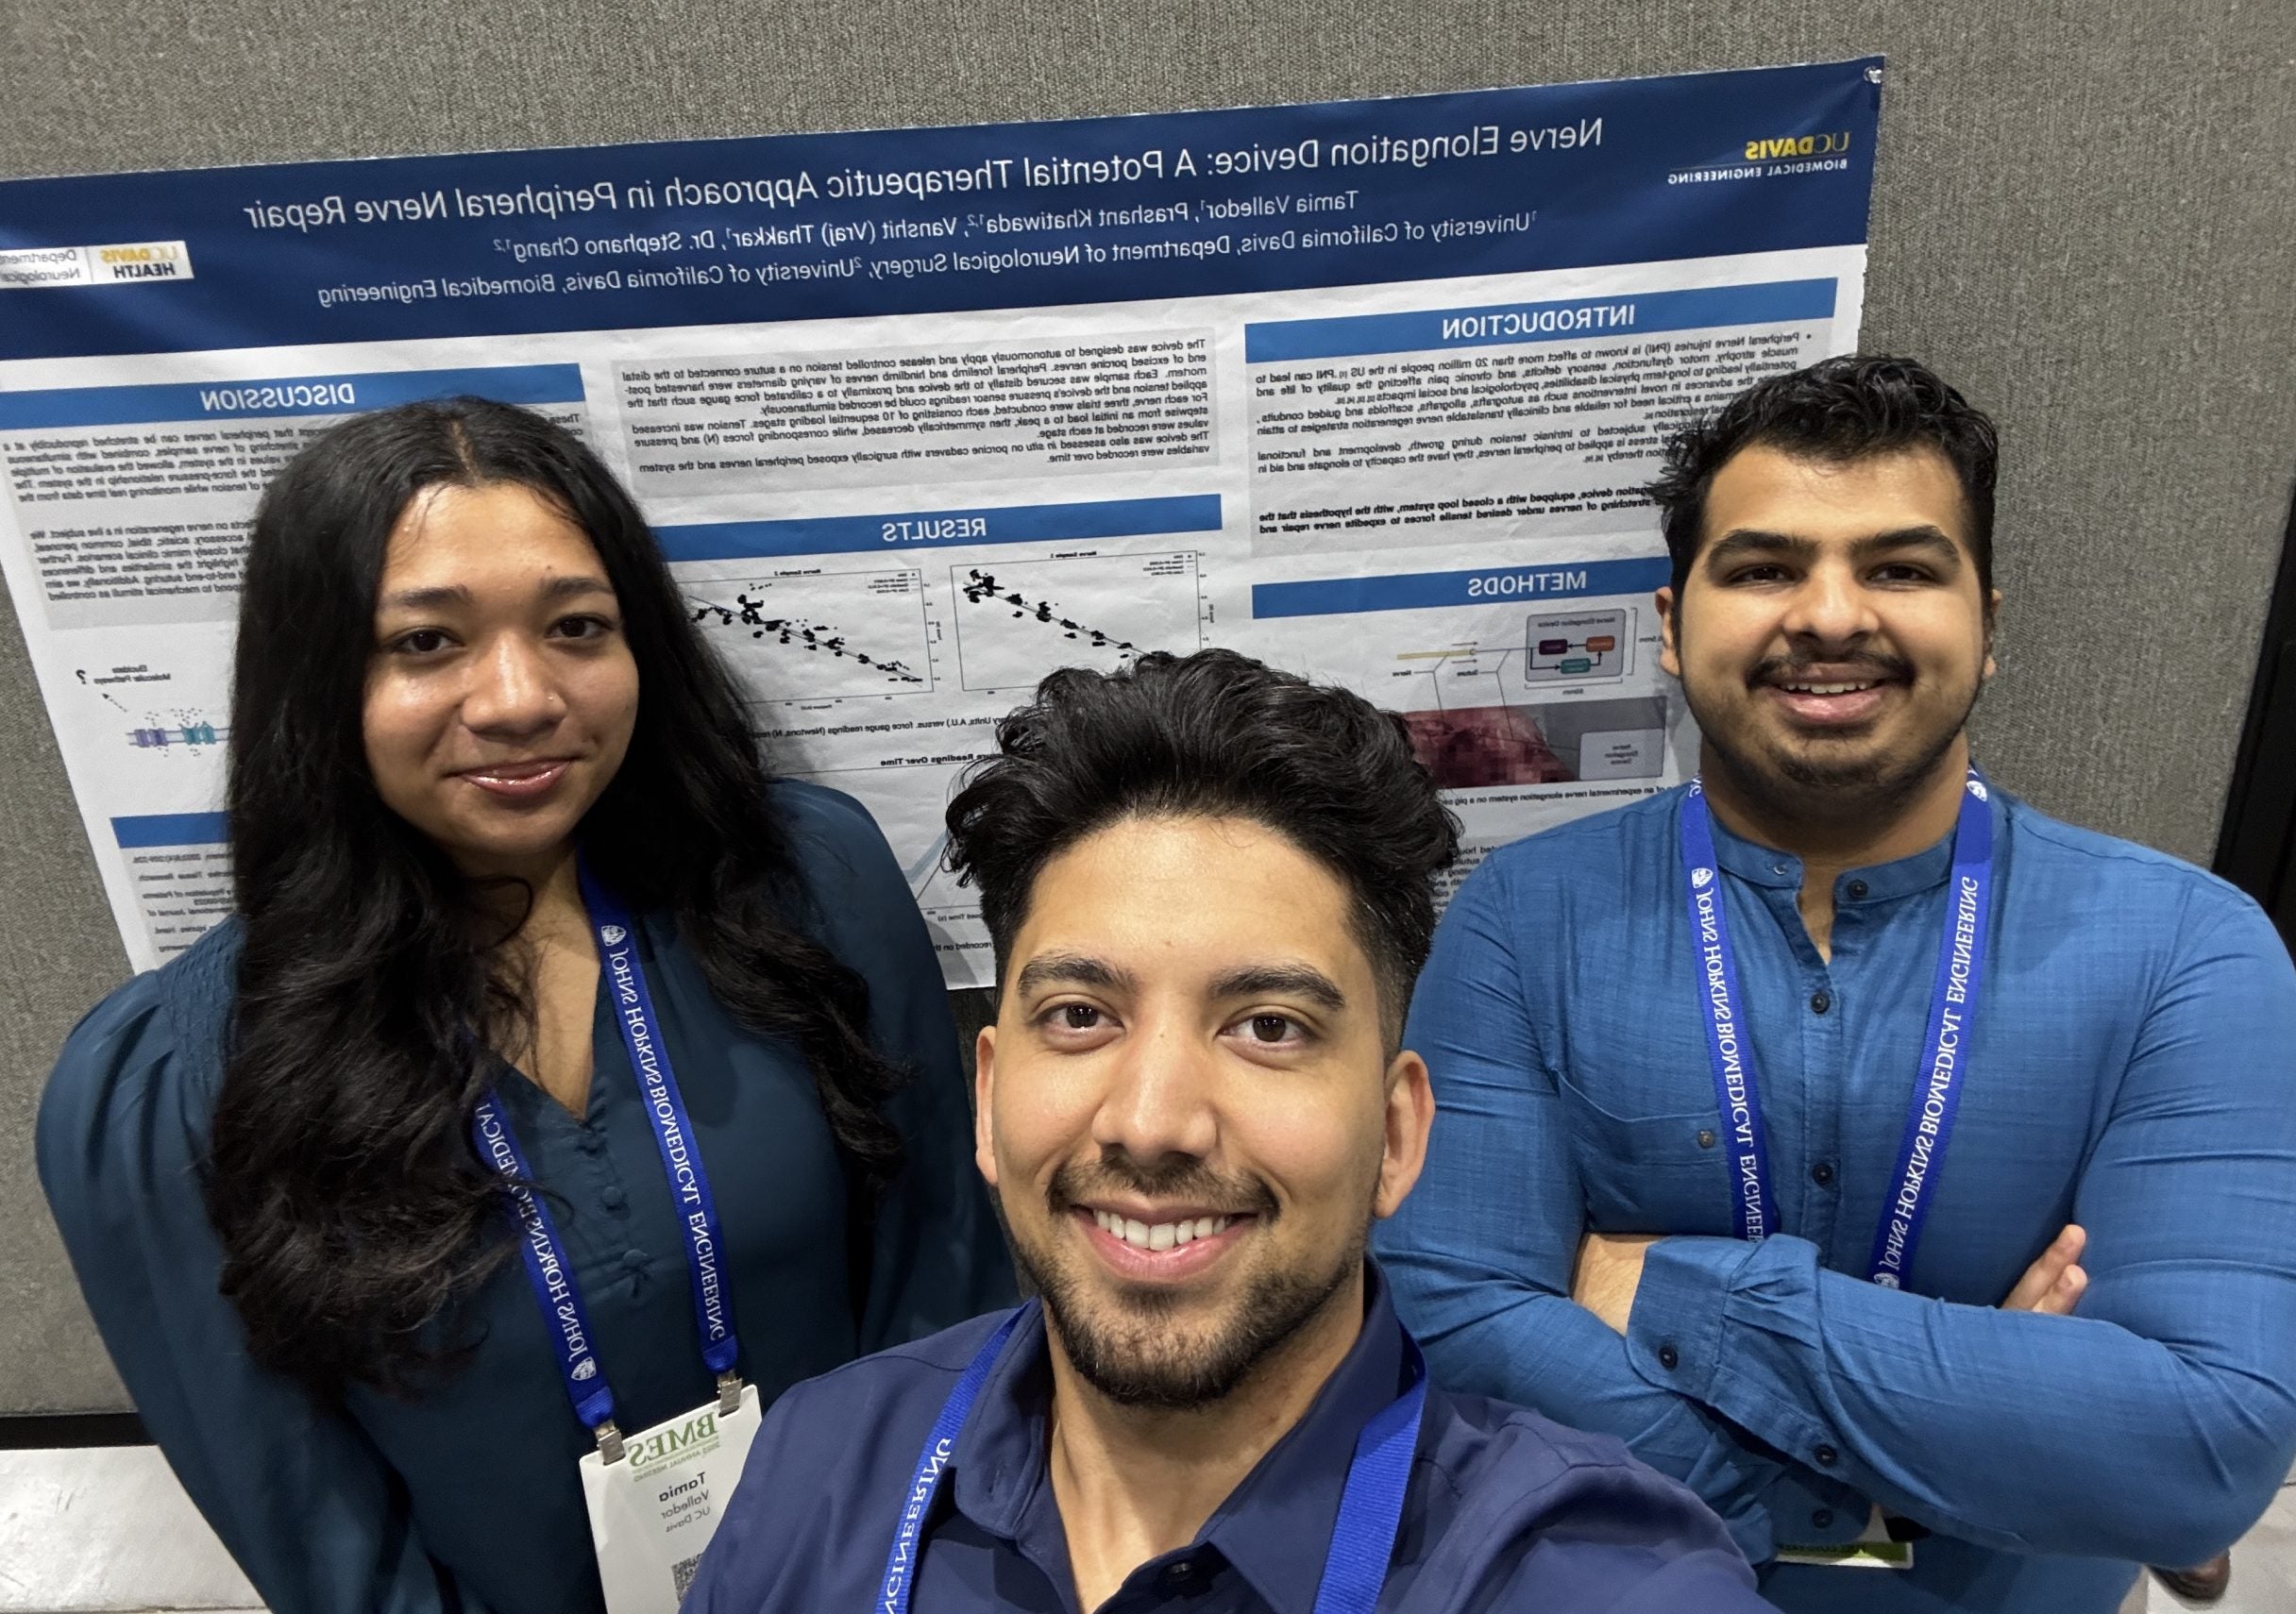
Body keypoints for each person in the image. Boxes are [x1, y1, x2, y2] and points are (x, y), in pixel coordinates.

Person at [36, 399, 1012, 1614]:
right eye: (427, 644)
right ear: (319, 676)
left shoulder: (805, 890)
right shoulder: (171, 1090)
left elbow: (945, 1283)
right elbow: (322, 1543)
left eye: (575, 627)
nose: (517, 697)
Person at [1376, 356, 2296, 1613]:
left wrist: (1668, 1289)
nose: (1829, 614)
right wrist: (1932, 1458)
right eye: (1763, 568)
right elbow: (1453, 1329)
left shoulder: (2190, 950)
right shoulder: (1519, 925)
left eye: (1901, 569)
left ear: (1989, 624)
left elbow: (2196, 1457)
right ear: (1669, 620)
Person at [684, 648, 1773, 1612]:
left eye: (1266, 1026)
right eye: (1079, 1017)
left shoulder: (1597, 1579)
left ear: (1396, 1135)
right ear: (986, 1096)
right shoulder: (819, 1472)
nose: (1152, 1123)